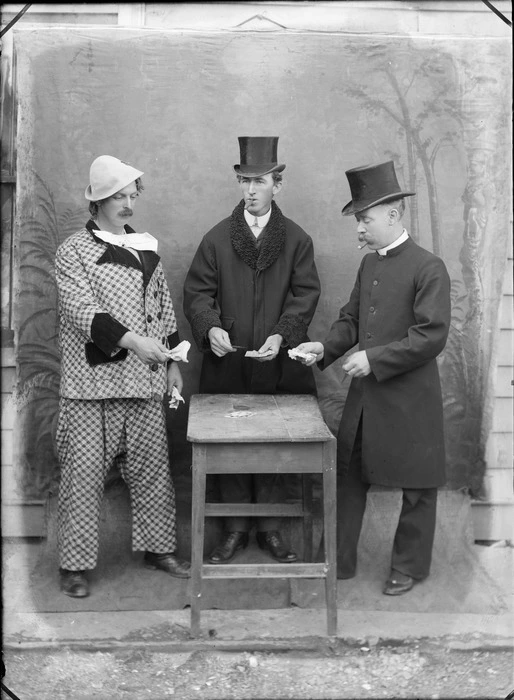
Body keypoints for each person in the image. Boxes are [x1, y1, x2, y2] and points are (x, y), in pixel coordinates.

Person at [294, 160, 451, 595]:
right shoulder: (368, 267)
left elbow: (430, 336)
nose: (359, 229)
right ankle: (338, 561)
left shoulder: (429, 267)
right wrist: (324, 348)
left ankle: (409, 566)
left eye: (363, 219)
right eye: (358, 220)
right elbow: (350, 319)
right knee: (351, 476)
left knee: (418, 486)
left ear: (392, 214)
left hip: (411, 398)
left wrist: (375, 359)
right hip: (367, 398)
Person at [55, 155, 190, 598]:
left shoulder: (146, 247)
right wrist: (133, 341)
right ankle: (73, 565)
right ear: (97, 200)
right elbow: (82, 312)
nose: (129, 203)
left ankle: (158, 549)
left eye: (133, 195)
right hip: (92, 385)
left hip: (146, 381)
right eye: (119, 196)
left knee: (153, 470)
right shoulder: (73, 251)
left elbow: (163, 309)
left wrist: (171, 362)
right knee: (85, 474)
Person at [183, 136, 321, 565]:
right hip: (229, 365)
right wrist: (209, 329)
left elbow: (305, 296)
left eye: (260, 180)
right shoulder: (217, 239)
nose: (251, 189)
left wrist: (283, 334)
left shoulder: (297, 240)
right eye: (244, 180)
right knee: (230, 446)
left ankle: (272, 530)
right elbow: (197, 295)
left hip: (279, 365)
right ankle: (235, 530)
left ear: (277, 184)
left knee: (274, 446)